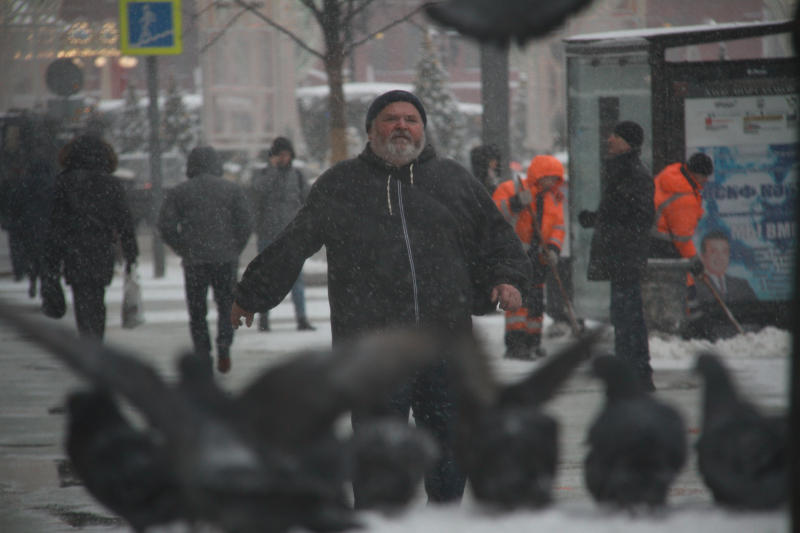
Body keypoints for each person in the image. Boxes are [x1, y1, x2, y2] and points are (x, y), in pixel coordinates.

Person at [230, 89, 531, 506]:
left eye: (411, 119)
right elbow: (293, 244)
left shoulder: (453, 180)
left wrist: (508, 277)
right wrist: (251, 294)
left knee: (448, 450)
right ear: (371, 131)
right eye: (391, 119)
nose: (402, 127)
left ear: (423, 129)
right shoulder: (340, 186)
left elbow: (499, 240)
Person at [158, 146, 252, 374]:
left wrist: (183, 248)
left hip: (195, 260)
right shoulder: (232, 189)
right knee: (226, 305)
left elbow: (166, 226)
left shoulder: (180, 192)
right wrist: (234, 248)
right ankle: (224, 344)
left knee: (197, 311)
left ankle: (202, 354)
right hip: (225, 259)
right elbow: (246, 224)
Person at [578, 120, 655, 392]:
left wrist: (608, 224)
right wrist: (596, 219)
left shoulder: (633, 173)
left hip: (626, 258)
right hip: (621, 257)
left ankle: (636, 375)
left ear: (628, 143)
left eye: (616, 136)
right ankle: (632, 374)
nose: (609, 139)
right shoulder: (623, 171)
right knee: (623, 317)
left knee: (628, 317)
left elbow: (640, 217)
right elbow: (620, 213)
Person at [44, 134, 139, 340]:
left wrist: (51, 259)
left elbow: (55, 224)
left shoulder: (64, 183)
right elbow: (125, 222)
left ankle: (88, 341)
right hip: (101, 250)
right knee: (97, 298)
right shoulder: (111, 184)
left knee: (81, 299)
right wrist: (131, 254)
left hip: (73, 251)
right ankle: (95, 342)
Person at [493, 154, 565, 359]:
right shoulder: (513, 189)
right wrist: (516, 203)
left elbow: (558, 227)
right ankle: (515, 344)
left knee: (535, 302)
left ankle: (533, 341)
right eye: (549, 177)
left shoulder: (553, 198)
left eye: (555, 178)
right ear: (538, 175)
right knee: (518, 301)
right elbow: (493, 213)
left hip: (539, 259)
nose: (551, 182)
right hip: (515, 256)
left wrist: (553, 249)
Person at [249, 137, 315, 332]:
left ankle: (301, 318)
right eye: (280, 155)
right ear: (273, 156)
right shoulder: (263, 174)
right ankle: (264, 318)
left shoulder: (298, 175)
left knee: (296, 280)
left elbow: (308, 201)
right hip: (267, 236)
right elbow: (257, 192)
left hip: (292, 237)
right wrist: (272, 170)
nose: (284, 158)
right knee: (266, 279)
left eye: (286, 154)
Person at [650, 152, 714, 317]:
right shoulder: (684, 197)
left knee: (664, 287)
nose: (706, 180)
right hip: (665, 247)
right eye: (704, 176)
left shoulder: (673, 172)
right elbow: (682, 240)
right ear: (696, 174)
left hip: (649, 242)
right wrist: (695, 263)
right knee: (684, 286)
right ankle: (691, 324)